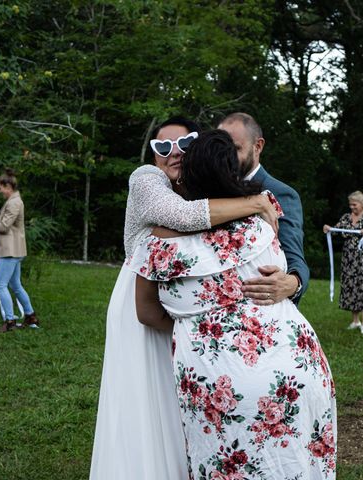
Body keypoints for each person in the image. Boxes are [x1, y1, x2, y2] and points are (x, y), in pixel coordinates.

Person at [131, 130, 336, 479]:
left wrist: (196, 325)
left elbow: (147, 312)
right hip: (298, 368)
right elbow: (283, 261)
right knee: (297, 467)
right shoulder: (262, 222)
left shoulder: (156, 246)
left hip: (221, 385)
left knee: (230, 467)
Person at [89, 116, 281, 480]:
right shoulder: (146, 179)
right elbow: (179, 216)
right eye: (163, 147)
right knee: (146, 403)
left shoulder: (198, 188)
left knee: (179, 403)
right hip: (139, 303)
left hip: (179, 310)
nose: (173, 153)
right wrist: (256, 202)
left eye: (184, 144)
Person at [218, 113, 308, 305]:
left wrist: (292, 283)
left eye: (235, 149)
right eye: (221, 150)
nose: (226, 158)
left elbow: (295, 258)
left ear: (257, 146)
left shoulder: (281, 193)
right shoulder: (210, 188)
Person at [0, 169, 39, 332]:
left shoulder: (14, 202)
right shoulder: (13, 200)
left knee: (1, 285)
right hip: (15, 250)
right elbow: (2, 222)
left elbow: (3, 227)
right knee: (16, 285)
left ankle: (10, 321)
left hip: (10, 251)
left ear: (8, 186)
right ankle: (30, 315)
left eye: (0, 188)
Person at [322, 191, 363, 334]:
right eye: (350, 204)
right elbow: (336, 229)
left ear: (362, 203)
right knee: (351, 287)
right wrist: (328, 228)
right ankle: (355, 320)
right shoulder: (346, 217)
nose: (352, 207)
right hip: (348, 260)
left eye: (355, 204)